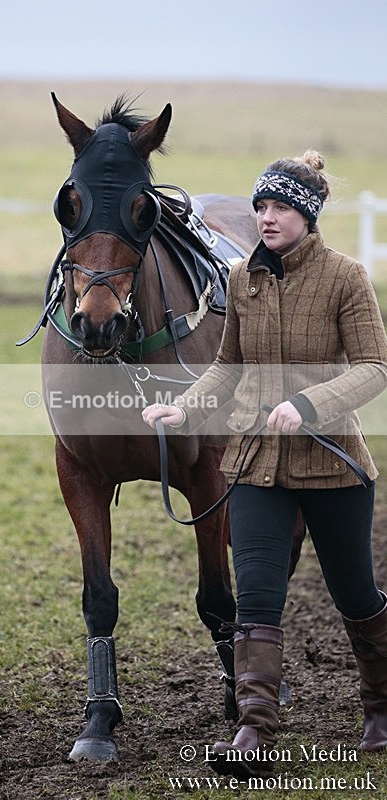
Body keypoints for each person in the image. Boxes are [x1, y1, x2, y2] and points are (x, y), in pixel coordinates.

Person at [142, 150, 387, 776]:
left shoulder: (346, 278)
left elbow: (374, 368)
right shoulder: (241, 278)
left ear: (308, 214)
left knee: (355, 594)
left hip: (333, 467)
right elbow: (228, 367)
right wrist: (183, 409)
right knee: (255, 599)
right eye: (261, 206)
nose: (267, 217)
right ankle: (254, 731)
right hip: (255, 466)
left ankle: (381, 707)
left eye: (280, 207)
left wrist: (308, 404)